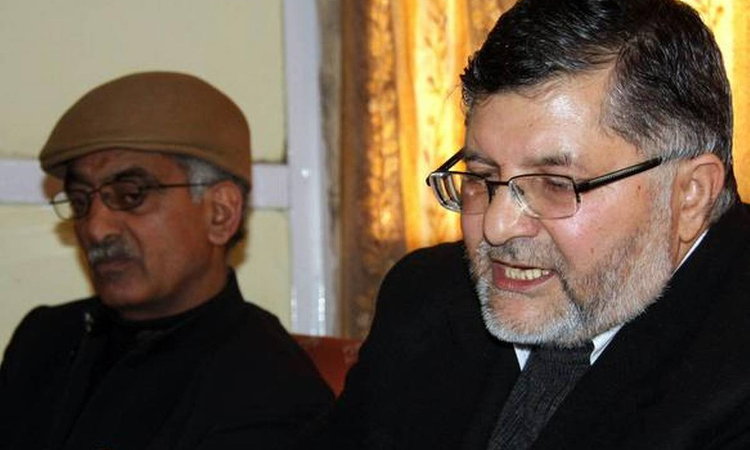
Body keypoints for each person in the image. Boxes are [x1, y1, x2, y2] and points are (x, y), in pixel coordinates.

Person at [310, 0, 750, 448]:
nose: (496, 226)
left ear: (691, 194)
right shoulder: (427, 299)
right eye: (482, 176)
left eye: (554, 184)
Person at [0, 71, 333, 450]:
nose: (95, 228)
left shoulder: (269, 389)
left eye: (130, 195)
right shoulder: (46, 339)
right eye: (80, 202)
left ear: (220, 213)